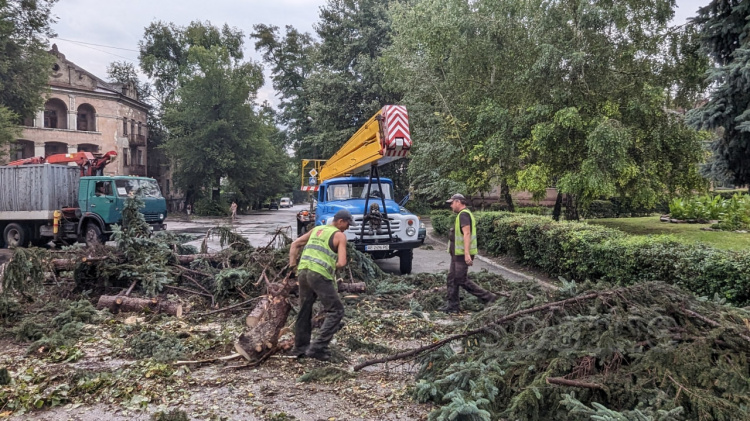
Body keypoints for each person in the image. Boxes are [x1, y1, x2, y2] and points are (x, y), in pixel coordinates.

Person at [288, 209, 353, 361]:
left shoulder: (317, 229)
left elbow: (295, 244)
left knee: (304, 310)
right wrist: (330, 265)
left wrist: (293, 265)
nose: (348, 228)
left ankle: (300, 348)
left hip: (303, 272)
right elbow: (342, 262)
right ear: (340, 221)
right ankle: (318, 347)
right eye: (348, 224)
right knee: (336, 311)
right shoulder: (339, 235)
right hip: (319, 275)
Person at [440, 194, 496, 314]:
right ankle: (452, 306)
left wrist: (466, 254)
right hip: (457, 254)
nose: (451, 205)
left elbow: (467, 234)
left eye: (452, 203)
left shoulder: (464, 214)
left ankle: (489, 298)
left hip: (461, 254)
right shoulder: (462, 214)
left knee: (461, 279)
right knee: (452, 278)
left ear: (458, 202)